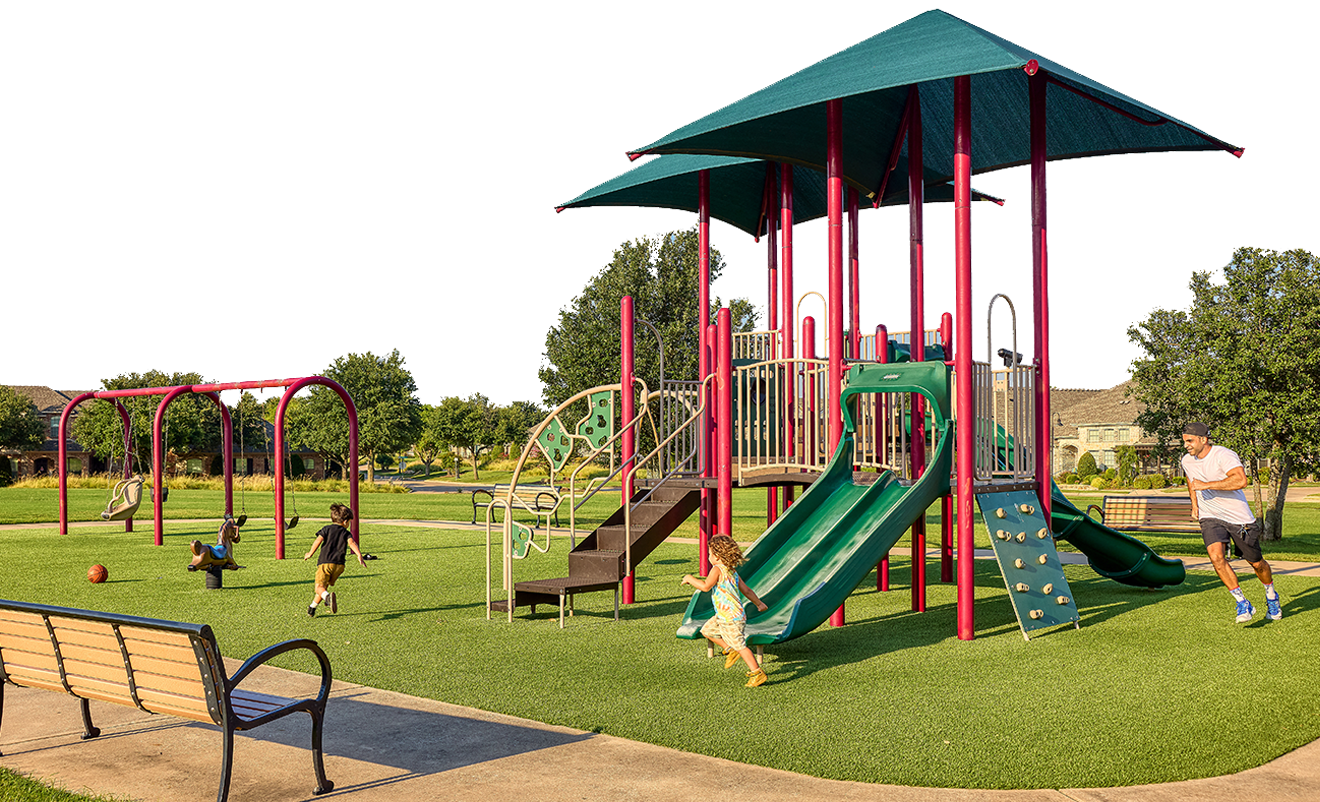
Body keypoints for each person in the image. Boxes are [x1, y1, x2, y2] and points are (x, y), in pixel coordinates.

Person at [1181, 422, 1281, 623]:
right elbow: (1192, 483)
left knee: (1256, 563)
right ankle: (1242, 602)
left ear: (1203, 439)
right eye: (1184, 441)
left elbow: (1240, 481)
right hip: (1210, 516)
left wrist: (1207, 485)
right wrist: (1195, 507)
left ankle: (1271, 595)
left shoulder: (1223, 455)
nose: (1186, 446)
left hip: (1239, 519)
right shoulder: (1187, 460)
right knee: (1216, 557)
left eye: (1190, 441)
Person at [680, 535, 770, 687]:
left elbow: (706, 586)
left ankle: (757, 673)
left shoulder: (717, 569)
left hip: (731, 617)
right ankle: (729, 649)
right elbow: (746, 591)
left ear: (717, 555)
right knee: (707, 631)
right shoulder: (732, 571)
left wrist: (689, 578)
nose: (709, 556)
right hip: (724, 615)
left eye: (710, 554)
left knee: (741, 645)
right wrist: (759, 603)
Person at [302, 502, 366, 617]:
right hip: (339, 566)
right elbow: (352, 543)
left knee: (318, 588)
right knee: (323, 588)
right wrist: (359, 555)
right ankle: (312, 608)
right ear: (345, 521)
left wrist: (310, 553)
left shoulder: (326, 529)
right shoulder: (346, 533)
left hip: (325, 563)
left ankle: (327, 598)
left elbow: (318, 541)